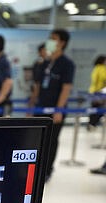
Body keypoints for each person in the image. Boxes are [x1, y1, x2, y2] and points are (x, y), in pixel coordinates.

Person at [32, 29, 75, 181]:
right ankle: (36, 167)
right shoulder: (45, 62)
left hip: (55, 109)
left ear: (62, 43)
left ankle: (47, 170)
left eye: (53, 38)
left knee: (51, 140)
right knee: (38, 138)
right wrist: (32, 105)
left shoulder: (67, 64)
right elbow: (37, 85)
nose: (50, 41)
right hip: (40, 107)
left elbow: (66, 88)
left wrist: (59, 109)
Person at [88, 55, 106, 130]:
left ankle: (91, 124)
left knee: (94, 109)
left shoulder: (96, 68)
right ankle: (93, 124)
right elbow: (104, 78)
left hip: (92, 91)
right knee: (101, 109)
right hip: (99, 92)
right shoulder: (102, 68)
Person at [28, 43, 47, 107]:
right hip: (39, 95)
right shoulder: (38, 64)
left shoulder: (52, 64)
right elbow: (36, 82)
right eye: (45, 50)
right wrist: (33, 97)